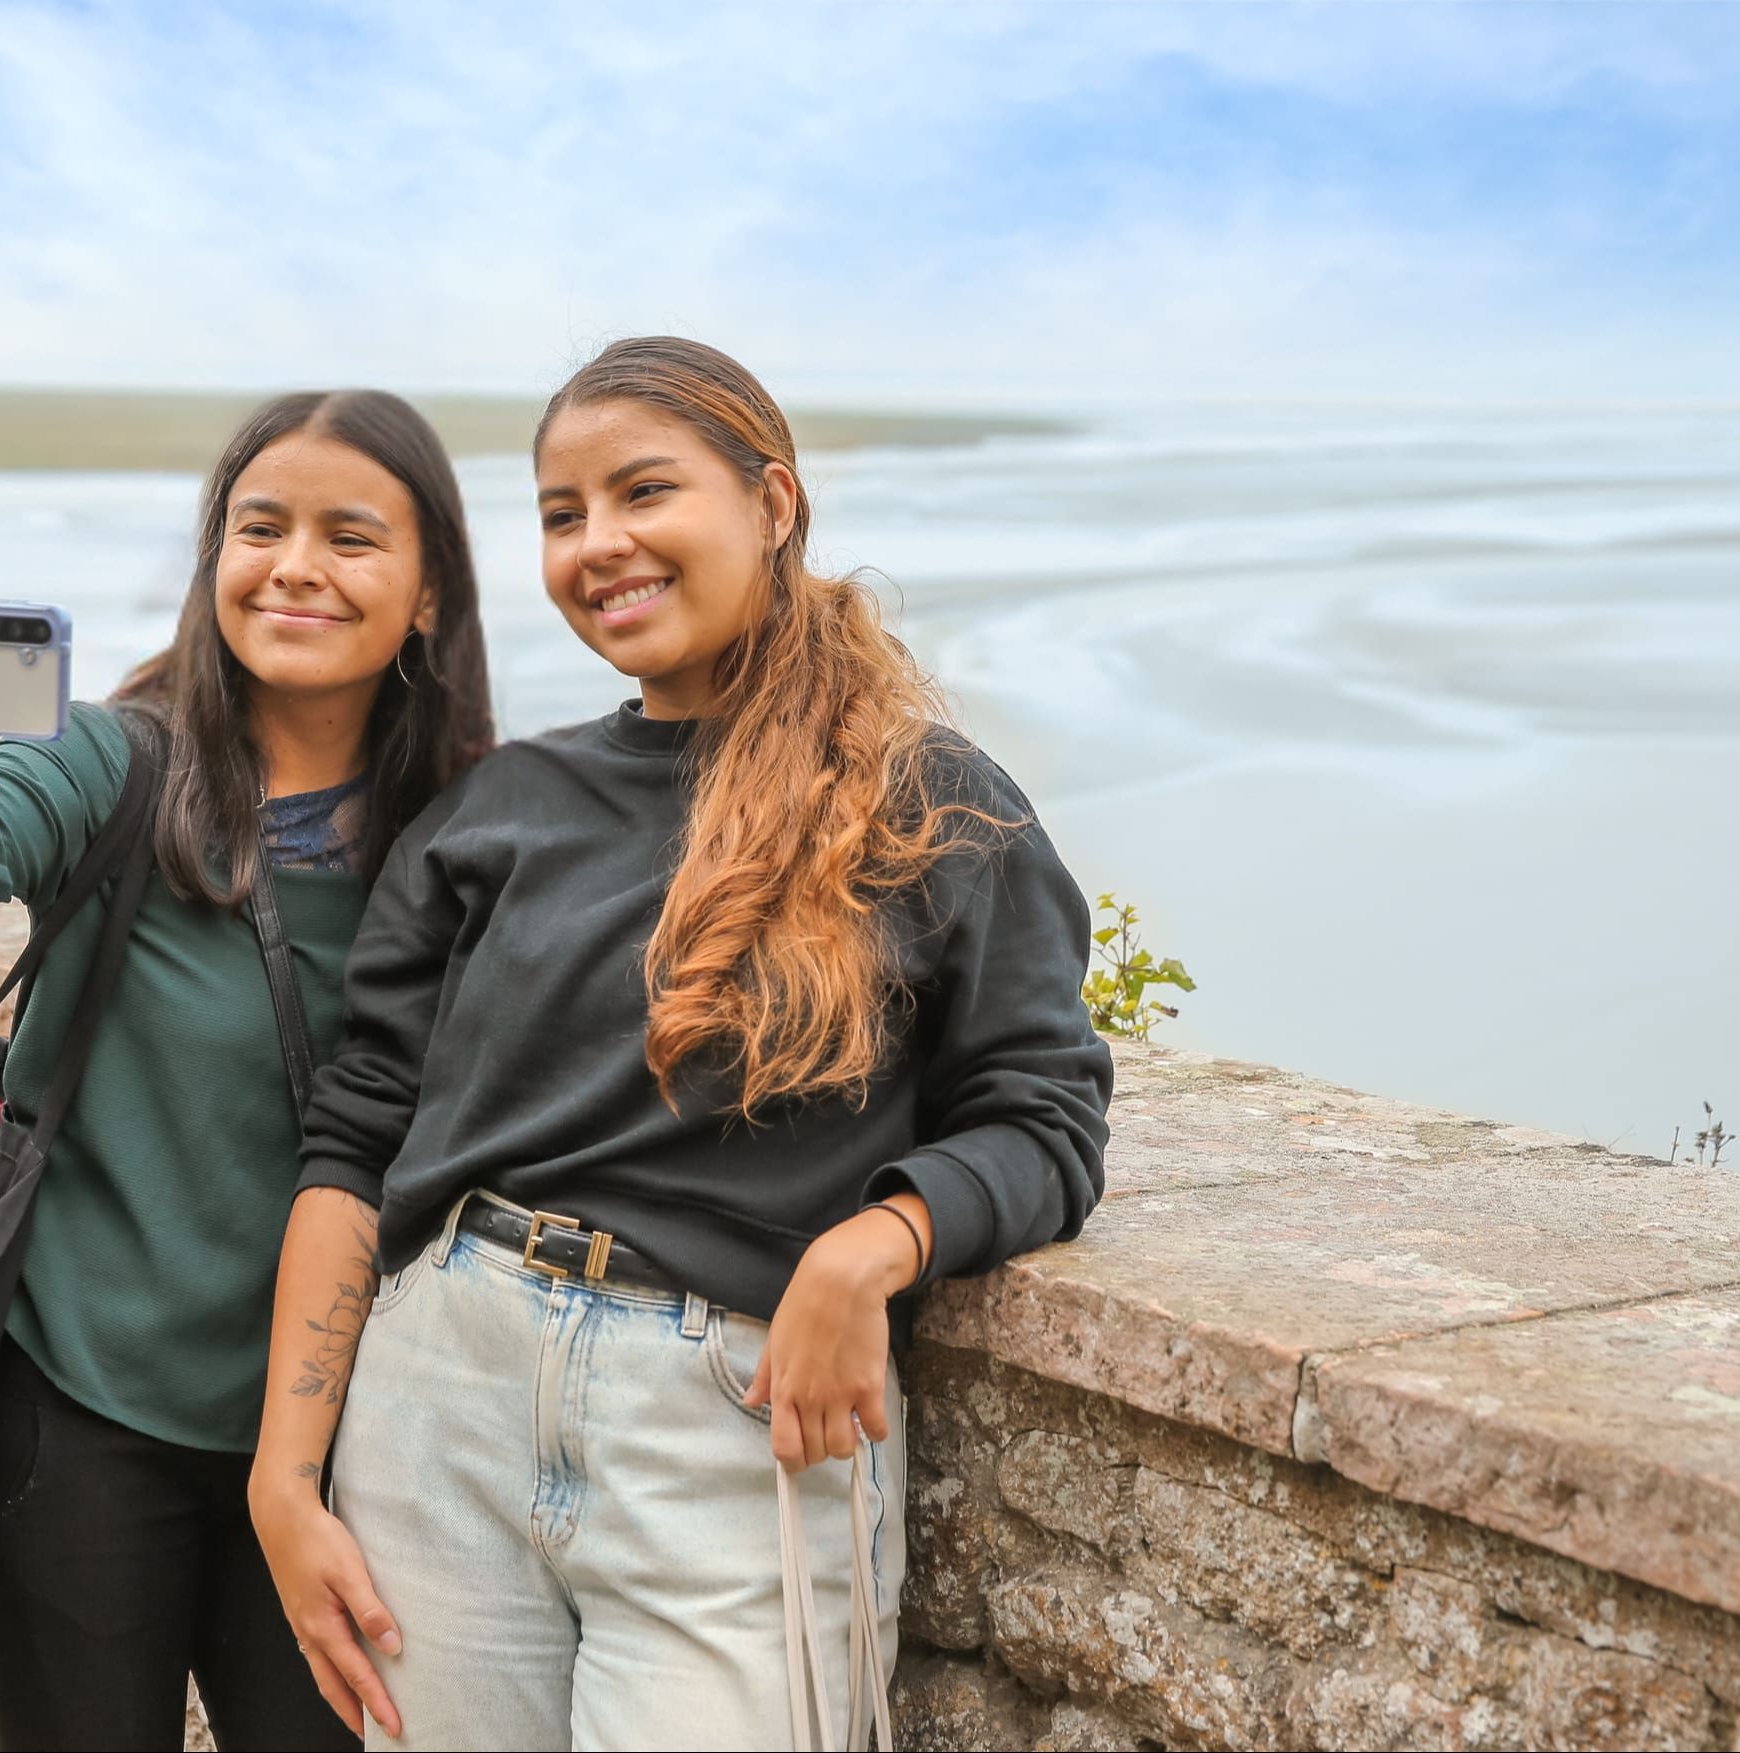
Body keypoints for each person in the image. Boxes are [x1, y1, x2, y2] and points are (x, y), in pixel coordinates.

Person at [249, 337, 1110, 1750]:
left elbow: (1043, 1116)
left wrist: (872, 1244)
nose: (599, 545)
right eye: (560, 513)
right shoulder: (498, 808)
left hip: (733, 1428)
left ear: (771, 502)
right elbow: (355, 1139)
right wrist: (285, 1477)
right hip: (436, 1407)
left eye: (641, 491)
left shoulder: (933, 806)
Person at [0, 390, 493, 1752]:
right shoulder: (112, 762)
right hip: (79, 1417)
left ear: (432, 589)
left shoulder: (480, 821)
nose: (293, 565)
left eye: (350, 535)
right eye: (258, 526)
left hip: (346, 1439)